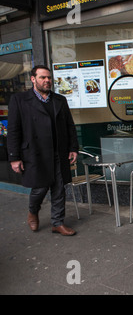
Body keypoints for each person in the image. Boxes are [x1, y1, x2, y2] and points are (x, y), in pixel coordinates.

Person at [7, 65, 79, 236]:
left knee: (59, 188)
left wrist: (73, 148)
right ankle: (33, 211)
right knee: (39, 188)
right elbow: (13, 130)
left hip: (58, 152)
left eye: (48, 78)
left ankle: (58, 222)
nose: (47, 81)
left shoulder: (59, 100)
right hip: (35, 153)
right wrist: (14, 157)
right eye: (42, 78)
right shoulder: (20, 100)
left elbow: (70, 126)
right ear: (33, 79)